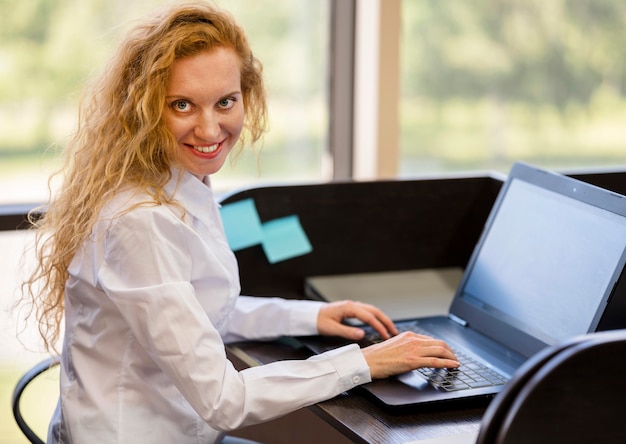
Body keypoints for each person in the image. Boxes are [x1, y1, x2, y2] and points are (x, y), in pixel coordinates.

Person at [21, 2, 459, 443]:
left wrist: (312, 316)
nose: (210, 130)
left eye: (225, 102)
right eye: (182, 105)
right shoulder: (141, 222)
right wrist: (364, 363)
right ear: (144, 108)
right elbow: (223, 401)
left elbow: (196, 313)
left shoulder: (176, 181)